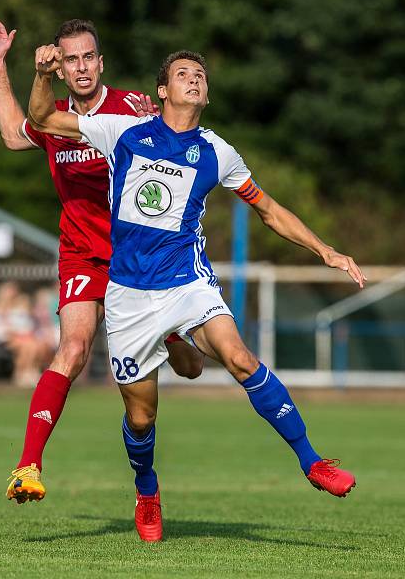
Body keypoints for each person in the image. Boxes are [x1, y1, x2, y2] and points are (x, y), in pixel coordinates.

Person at [28, 46, 366, 541]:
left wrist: (325, 250)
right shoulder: (122, 131)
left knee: (241, 358)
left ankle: (313, 462)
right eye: (183, 74)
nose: (194, 79)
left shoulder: (217, 152)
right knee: (141, 419)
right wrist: (41, 75)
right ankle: (147, 490)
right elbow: (41, 117)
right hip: (129, 296)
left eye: (201, 75)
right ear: (162, 90)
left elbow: (268, 208)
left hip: (188, 283)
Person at [0, 14, 206, 504]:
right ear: (60, 68)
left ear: (100, 62)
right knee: (74, 348)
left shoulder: (133, 108)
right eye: (71, 59)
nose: (81, 67)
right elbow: (10, 133)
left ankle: (176, 335)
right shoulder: (53, 116)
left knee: (190, 368)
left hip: (138, 258)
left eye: (88, 57)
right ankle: (28, 466)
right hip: (81, 254)